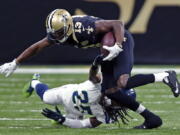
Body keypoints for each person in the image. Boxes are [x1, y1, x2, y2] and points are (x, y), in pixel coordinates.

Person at [0, 9, 179, 128]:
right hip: (106, 49)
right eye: (54, 33)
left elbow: (118, 24)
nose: (57, 37)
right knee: (111, 92)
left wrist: (117, 45)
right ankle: (151, 118)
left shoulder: (83, 28)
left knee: (122, 82)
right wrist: (16, 62)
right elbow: (37, 46)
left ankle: (164, 75)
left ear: (69, 26)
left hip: (120, 40)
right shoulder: (59, 32)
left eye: (60, 32)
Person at [22, 61, 136, 128]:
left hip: (76, 112)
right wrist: (95, 66)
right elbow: (92, 77)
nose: (119, 103)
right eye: (121, 100)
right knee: (46, 97)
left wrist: (62, 119)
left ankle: (63, 117)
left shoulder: (107, 115)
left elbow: (82, 124)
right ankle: (34, 82)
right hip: (67, 93)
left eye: (123, 103)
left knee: (65, 124)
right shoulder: (103, 84)